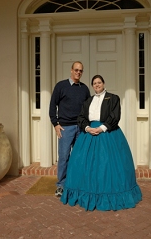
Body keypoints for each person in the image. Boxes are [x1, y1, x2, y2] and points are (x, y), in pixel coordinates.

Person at [60, 75, 142, 211]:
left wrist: (102, 128)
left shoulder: (113, 98)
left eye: (99, 82)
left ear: (103, 83)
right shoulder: (88, 101)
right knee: (83, 163)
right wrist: (87, 128)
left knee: (107, 165)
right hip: (89, 133)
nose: (97, 85)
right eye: (94, 83)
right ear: (92, 86)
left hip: (108, 133)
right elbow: (81, 117)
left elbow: (115, 116)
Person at [49, 61, 90, 197]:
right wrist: (55, 124)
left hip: (80, 128)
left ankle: (76, 183)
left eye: (81, 71)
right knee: (64, 157)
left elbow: (88, 108)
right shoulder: (61, 86)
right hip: (65, 128)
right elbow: (52, 105)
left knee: (79, 157)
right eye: (76, 70)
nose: (78, 72)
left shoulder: (84, 89)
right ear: (71, 70)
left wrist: (87, 126)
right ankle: (61, 185)